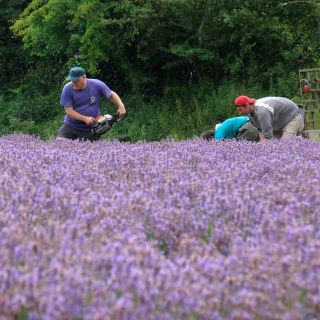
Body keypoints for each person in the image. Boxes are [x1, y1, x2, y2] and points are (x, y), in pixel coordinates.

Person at [57, 67, 126, 141]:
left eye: (76, 81)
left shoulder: (96, 84)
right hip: (70, 126)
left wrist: (121, 105)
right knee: (59, 145)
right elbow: (69, 111)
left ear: (84, 77)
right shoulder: (67, 89)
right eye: (72, 81)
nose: (74, 83)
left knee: (89, 151)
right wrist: (85, 118)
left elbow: (111, 94)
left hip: (90, 129)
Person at [234, 95, 302, 141]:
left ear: (247, 105)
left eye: (240, 109)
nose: (240, 113)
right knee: (276, 146)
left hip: (291, 116)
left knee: (286, 144)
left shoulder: (262, 111)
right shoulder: (250, 113)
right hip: (278, 120)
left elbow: (267, 135)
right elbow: (261, 131)